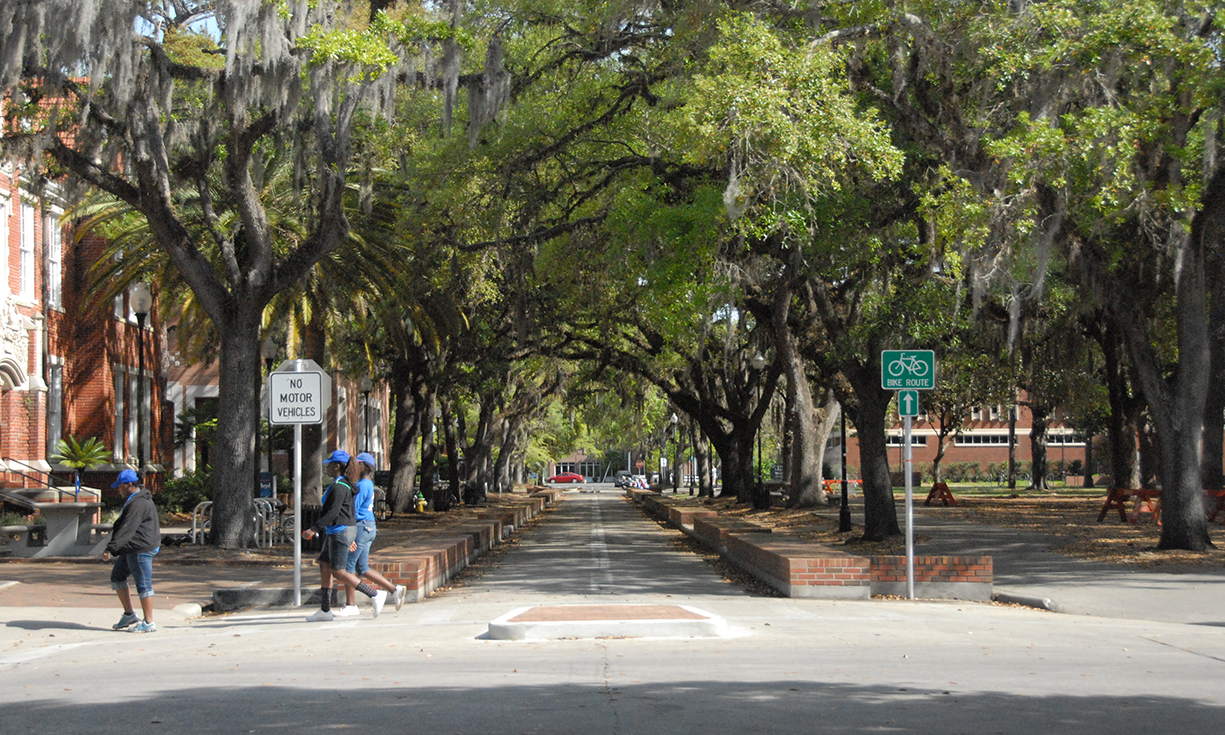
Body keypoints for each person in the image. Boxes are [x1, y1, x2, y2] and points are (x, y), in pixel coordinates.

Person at [302, 450, 387, 622]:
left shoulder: (341, 486)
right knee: (325, 565)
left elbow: (333, 512)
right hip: (337, 531)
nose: (327, 468)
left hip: (341, 531)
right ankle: (325, 610)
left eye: (330, 465)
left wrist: (314, 529)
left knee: (339, 571)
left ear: (337, 467)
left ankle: (375, 594)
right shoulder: (342, 484)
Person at [334, 452, 405, 616]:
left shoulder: (362, 485)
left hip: (360, 528)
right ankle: (394, 590)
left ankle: (351, 605)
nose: (354, 466)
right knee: (362, 567)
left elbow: (353, 510)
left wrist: (349, 534)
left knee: (348, 567)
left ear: (365, 467)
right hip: (368, 527)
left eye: (358, 463)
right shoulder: (367, 484)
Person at [103, 468, 161, 633]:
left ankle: (149, 622)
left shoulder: (139, 502)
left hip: (140, 548)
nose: (118, 489)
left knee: (143, 584)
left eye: (120, 486)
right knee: (117, 577)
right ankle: (129, 614)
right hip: (132, 547)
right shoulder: (136, 498)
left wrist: (111, 548)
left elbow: (127, 528)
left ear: (129, 485)